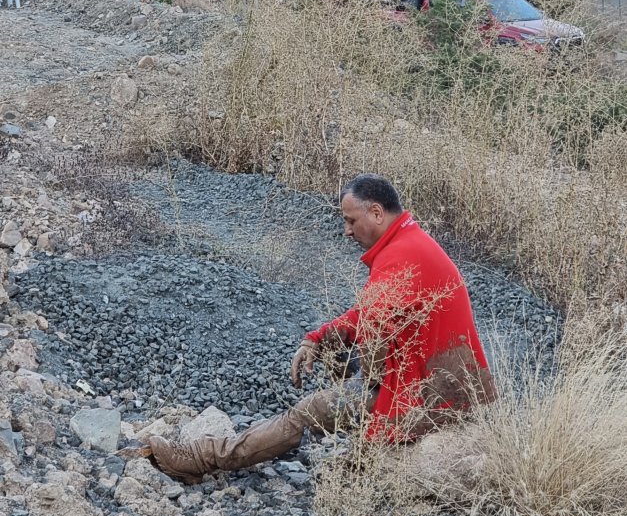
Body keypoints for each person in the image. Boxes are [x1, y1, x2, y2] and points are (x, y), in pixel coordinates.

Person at [124, 175, 495, 483]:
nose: (347, 231)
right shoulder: (411, 243)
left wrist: (372, 406)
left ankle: (199, 459)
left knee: (305, 412)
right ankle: (214, 453)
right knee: (327, 381)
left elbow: (374, 329)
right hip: (443, 386)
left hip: (425, 396)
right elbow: (367, 314)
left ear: (377, 213)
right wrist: (319, 338)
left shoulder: (400, 256)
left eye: (351, 221)